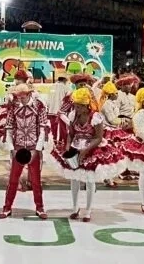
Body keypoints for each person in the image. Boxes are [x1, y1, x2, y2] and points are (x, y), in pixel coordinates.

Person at [47, 87, 125, 222]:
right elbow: (71, 134)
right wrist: (67, 146)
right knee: (74, 179)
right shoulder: (72, 115)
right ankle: (75, 208)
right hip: (75, 147)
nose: (75, 108)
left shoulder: (96, 117)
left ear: (85, 106)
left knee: (89, 180)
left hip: (92, 148)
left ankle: (88, 210)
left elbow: (99, 137)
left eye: (78, 106)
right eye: (75, 105)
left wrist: (86, 150)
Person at [0, 83, 49, 220]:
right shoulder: (14, 107)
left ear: (29, 94)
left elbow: (43, 129)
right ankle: (7, 207)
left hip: (33, 147)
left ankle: (40, 207)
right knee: (13, 179)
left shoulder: (39, 106)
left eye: (22, 96)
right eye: (17, 96)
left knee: (36, 180)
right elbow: (9, 128)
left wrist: (37, 150)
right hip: (18, 147)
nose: (19, 98)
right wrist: (11, 149)